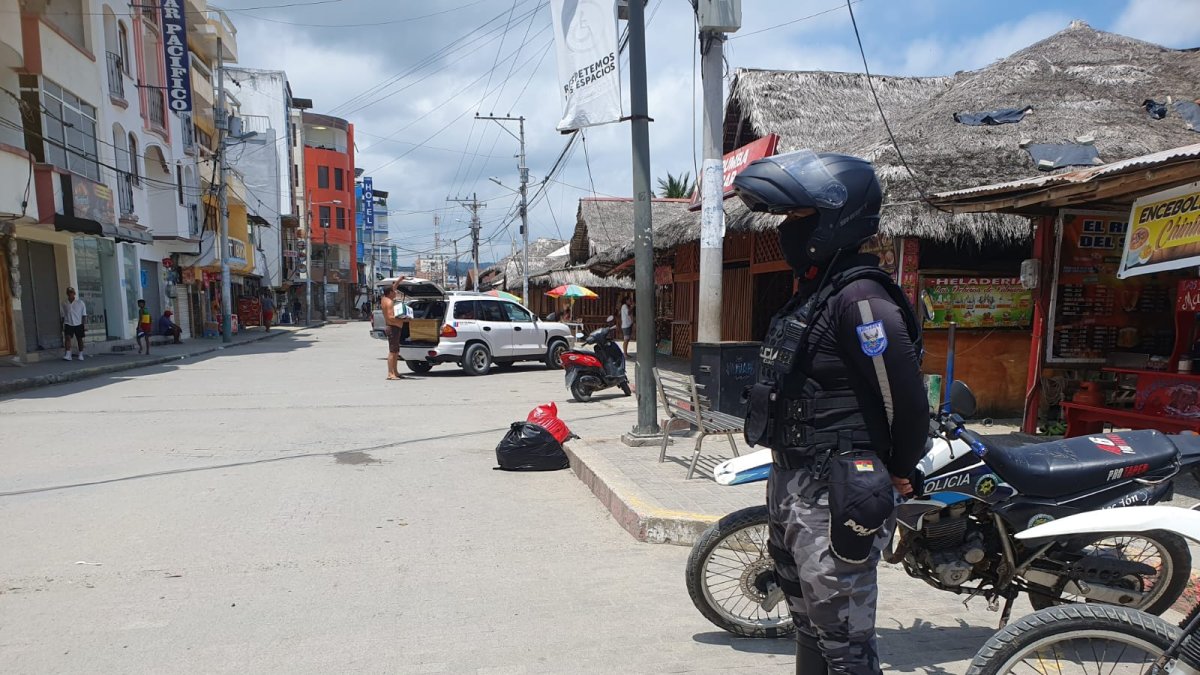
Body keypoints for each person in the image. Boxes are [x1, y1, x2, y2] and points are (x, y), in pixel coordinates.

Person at [732, 150, 927, 675]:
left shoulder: (862, 299)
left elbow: (907, 400)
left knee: (844, 644)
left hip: (837, 488)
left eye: (799, 217)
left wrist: (903, 468)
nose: (789, 231)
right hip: (792, 479)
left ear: (836, 218)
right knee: (809, 627)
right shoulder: (817, 292)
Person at [379, 276, 408, 380]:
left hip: (393, 328)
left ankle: (395, 372)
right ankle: (390, 373)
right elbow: (391, 317)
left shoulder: (384, 298)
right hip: (393, 327)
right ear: (390, 292)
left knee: (396, 351)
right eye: (394, 291)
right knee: (393, 351)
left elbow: (393, 287)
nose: (396, 293)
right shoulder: (390, 302)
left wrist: (401, 279)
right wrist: (404, 319)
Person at [61, 286, 87, 361]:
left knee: (79, 339)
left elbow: (84, 315)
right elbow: (63, 315)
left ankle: (81, 354)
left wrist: (84, 325)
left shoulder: (80, 303)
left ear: (74, 293)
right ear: (67, 294)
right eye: (69, 293)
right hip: (68, 323)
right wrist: (62, 324)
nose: (70, 294)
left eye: (71, 293)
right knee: (67, 338)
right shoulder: (64, 303)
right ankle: (68, 354)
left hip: (78, 323)